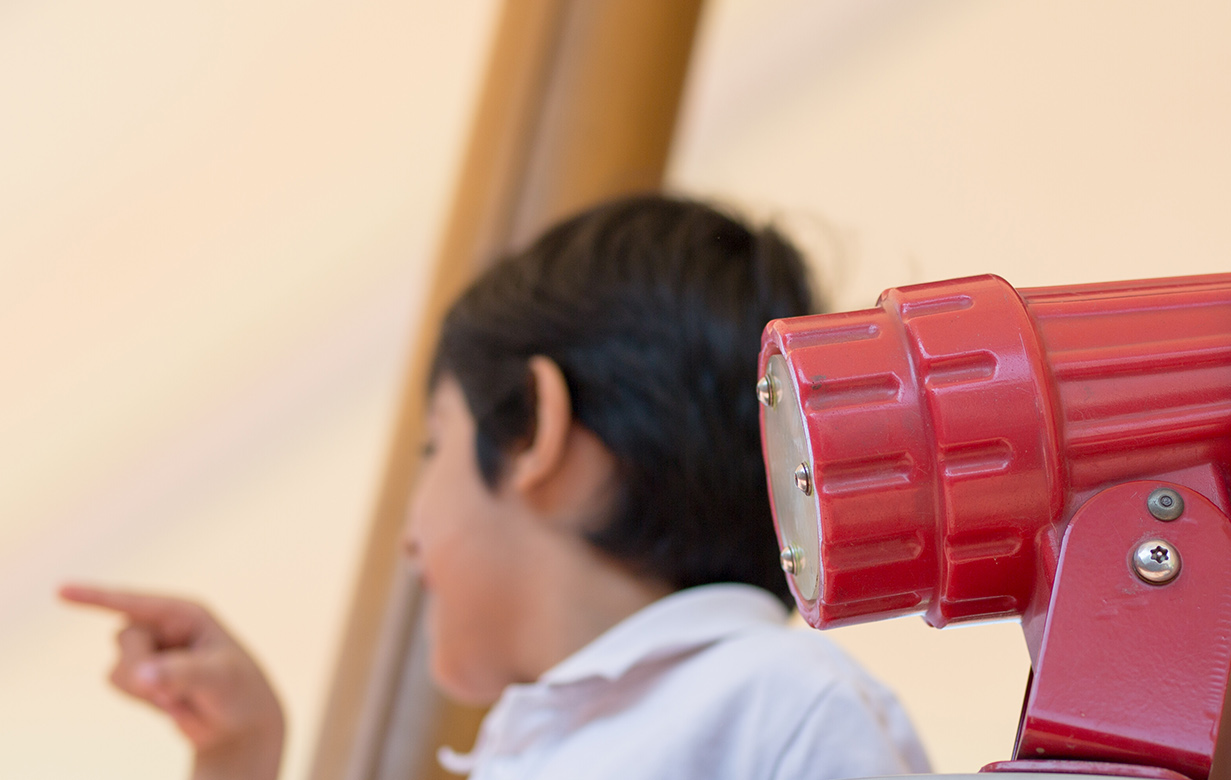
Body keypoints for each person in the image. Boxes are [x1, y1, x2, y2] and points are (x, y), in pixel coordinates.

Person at [61, 194, 931, 780]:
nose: (408, 539)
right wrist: (243, 752)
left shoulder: (782, 703)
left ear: (529, 433)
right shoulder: (537, 749)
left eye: (433, 445)